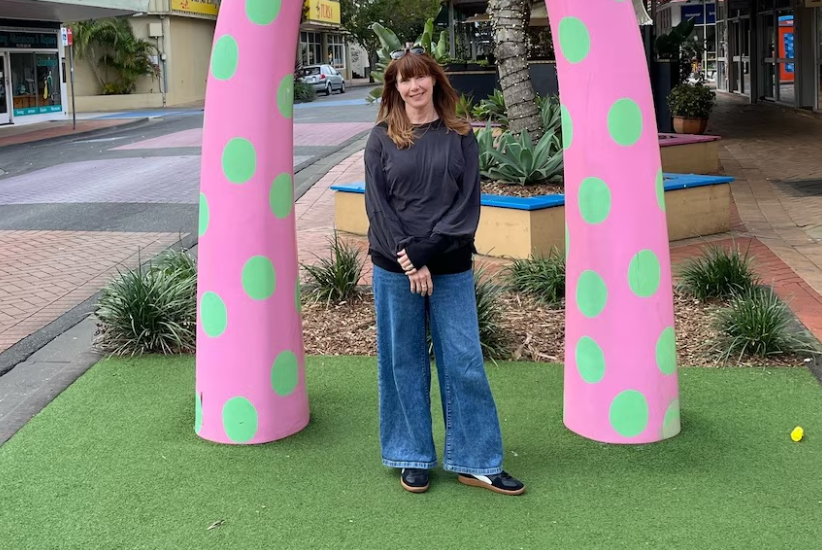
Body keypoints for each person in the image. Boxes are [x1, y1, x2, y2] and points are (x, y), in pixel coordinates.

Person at [363, 44, 525, 497]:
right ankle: (410, 455)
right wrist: (408, 258)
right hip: (395, 269)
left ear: (434, 80)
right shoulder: (381, 138)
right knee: (403, 361)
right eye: (404, 79)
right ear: (395, 88)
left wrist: (426, 255)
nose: (414, 86)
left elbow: (465, 205)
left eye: (420, 77)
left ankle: (477, 461)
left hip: (449, 264)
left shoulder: (459, 135)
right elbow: (379, 208)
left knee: (464, 360)